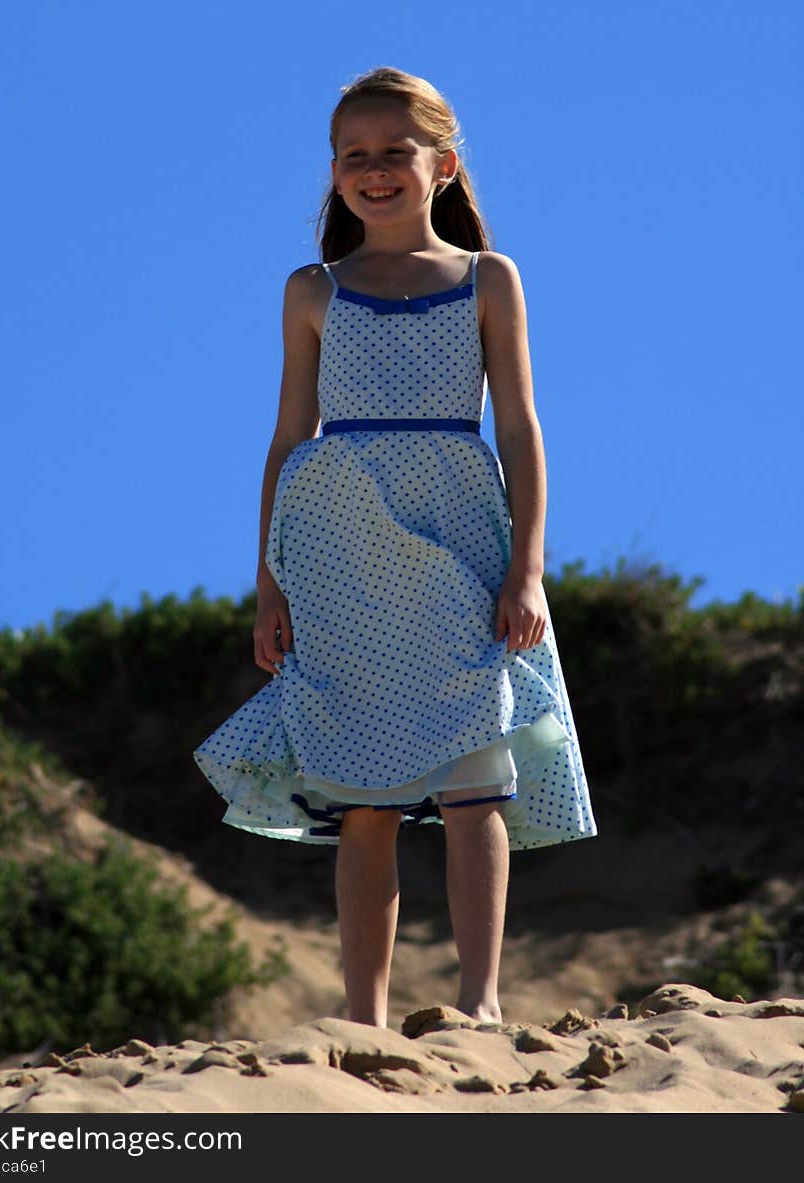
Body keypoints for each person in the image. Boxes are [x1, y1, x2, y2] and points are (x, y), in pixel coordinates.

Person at [194, 66, 596, 1029]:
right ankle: (362, 1019)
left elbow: (522, 429)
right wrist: (267, 587)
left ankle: (481, 1003)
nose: (374, 170)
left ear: (444, 165)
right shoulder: (311, 290)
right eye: (353, 155)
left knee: (473, 782)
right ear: (333, 173)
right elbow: (289, 440)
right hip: (335, 553)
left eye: (395, 151)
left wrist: (528, 566)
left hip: (461, 538)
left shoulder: (487, 279)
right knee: (362, 800)